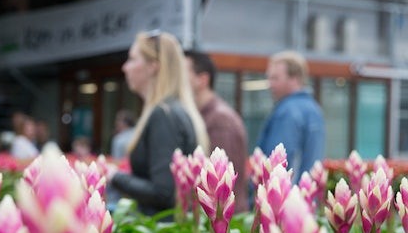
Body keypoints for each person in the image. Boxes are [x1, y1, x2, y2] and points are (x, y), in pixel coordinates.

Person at [109, 31, 209, 216]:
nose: (125, 67)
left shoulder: (163, 114)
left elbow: (164, 193)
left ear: (153, 66)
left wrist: (115, 177)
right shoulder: (172, 110)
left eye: (132, 59)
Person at [185, 50, 249, 212]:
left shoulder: (220, 120)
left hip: (224, 222)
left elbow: (224, 186)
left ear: (202, 80)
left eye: (182, 73)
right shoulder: (204, 116)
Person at [257, 50, 325, 182]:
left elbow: (279, 165)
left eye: (275, 78)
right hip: (307, 194)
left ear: (295, 79)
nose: (270, 84)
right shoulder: (315, 110)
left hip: (285, 196)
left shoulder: (287, 112)